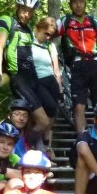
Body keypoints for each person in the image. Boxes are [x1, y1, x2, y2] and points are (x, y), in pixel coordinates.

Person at [0, 0, 53, 135]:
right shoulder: (7, 21)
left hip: (32, 78)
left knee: (51, 108)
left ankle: (37, 144)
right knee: (43, 121)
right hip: (19, 79)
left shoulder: (28, 30)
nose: (27, 14)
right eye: (24, 10)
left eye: (31, 11)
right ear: (17, 7)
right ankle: (19, 146)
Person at [57, 0, 97, 134]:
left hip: (96, 64)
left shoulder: (95, 22)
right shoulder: (65, 21)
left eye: (81, 1)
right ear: (70, 4)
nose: (78, 5)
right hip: (77, 65)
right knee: (79, 106)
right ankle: (82, 139)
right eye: (75, 2)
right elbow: (48, 33)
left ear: (85, 2)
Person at [30, 16, 64, 156]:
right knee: (45, 111)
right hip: (37, 81)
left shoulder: (50, 46)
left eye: (51, 35)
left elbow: (56, 68)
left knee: (52, 113)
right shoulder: (28, 41)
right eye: (47, 34)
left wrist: (60, 87)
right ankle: (29, 142)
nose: (49, 37)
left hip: (51, 81)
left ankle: (46, 144)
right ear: (39, 28)